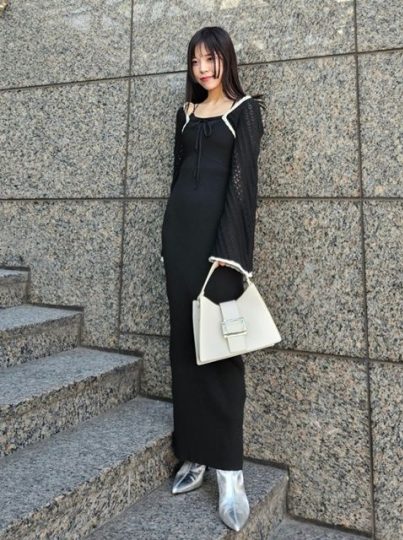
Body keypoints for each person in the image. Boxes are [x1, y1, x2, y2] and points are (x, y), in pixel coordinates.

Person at [160, 26, 264, 532]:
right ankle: (195, 454)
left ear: (226, 59)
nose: (203, 70)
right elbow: (178, 178)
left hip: (219, 252)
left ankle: (229, 472)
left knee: (221, 355)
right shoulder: (184, 113)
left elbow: (244, 189)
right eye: (195, 61)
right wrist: (168, 242)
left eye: (211, 60)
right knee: (185, 346)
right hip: (179, 244)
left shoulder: (245, 111)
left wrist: (230, 256)